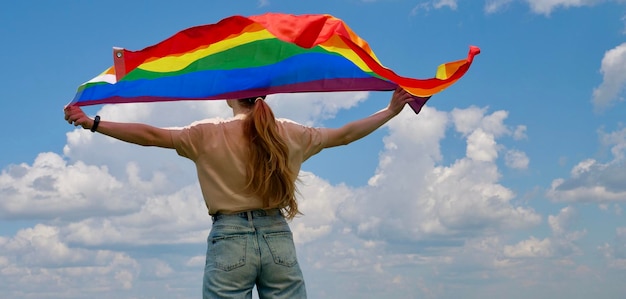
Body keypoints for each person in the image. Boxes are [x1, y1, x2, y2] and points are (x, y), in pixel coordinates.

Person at [64, 87, 414, 299]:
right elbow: (346, 134)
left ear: (230, 95)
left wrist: (94, 122)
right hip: (278, 235)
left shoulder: (204, 133)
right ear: (265, 96)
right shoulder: (291, 132)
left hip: (229, 236)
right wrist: (390, 111)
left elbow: (151, 135)